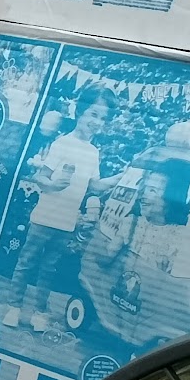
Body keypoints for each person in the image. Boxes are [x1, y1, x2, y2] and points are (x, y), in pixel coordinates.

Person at [9, 93, 113, 310]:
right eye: (93, 114)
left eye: (103, 119)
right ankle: (14, 307)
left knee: (49, 270)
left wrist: (123, 177)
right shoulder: (63, 143)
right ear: (80, 112)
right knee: (26, 262)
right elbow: (41, 177)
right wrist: (53, 185)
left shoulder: (93, 152)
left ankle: (38, 311)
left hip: (66, 223)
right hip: (44, 218)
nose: (97, 122)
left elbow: (94, 185)